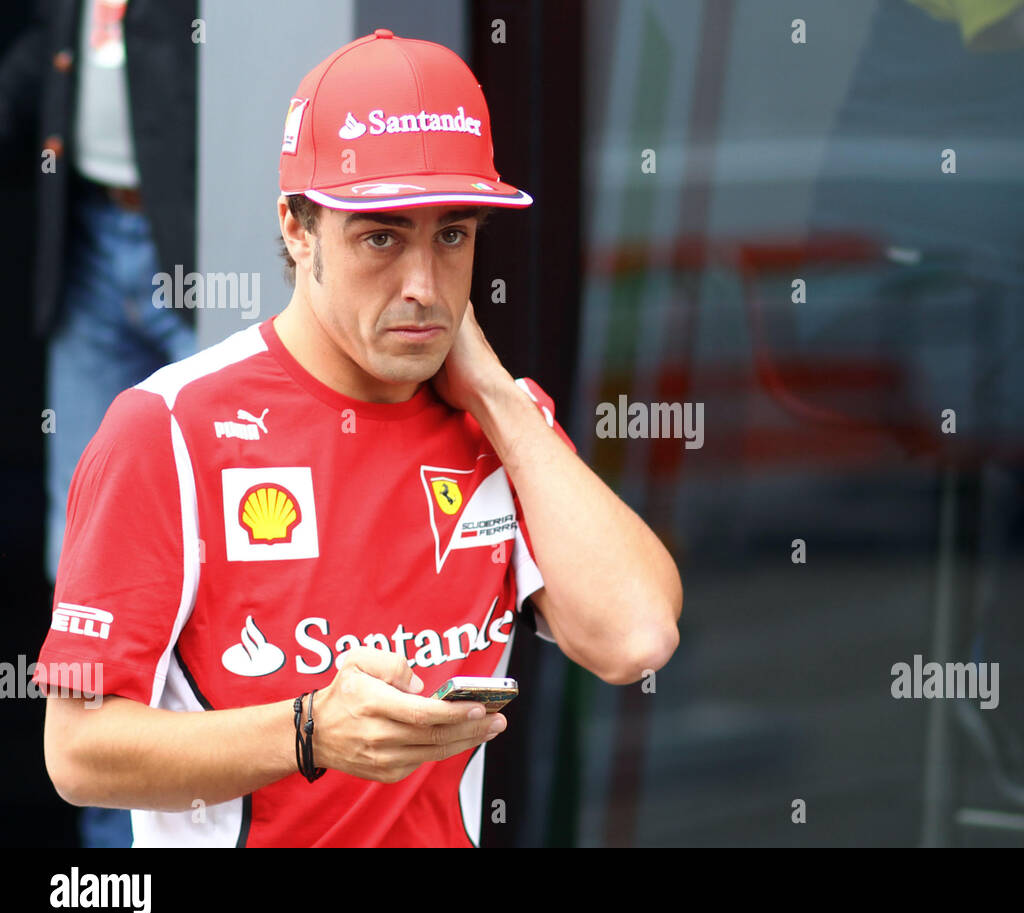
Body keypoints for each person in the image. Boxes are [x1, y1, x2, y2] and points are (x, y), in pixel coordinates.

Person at [34, 29, 681, 847]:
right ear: (297, 229)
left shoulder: (501, 424)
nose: (423, 285)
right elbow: (77, 749)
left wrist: (493, 393)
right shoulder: (169, 425)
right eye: (382, 235)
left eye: (453, 234)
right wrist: (308, 732)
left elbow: (638, 638)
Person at [0, 0, 199, 847]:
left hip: (196, 245)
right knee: (80, 564)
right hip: (82, 237)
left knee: (227, 540)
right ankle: (114, 857)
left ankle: (210, 811)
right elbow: (47, 49)